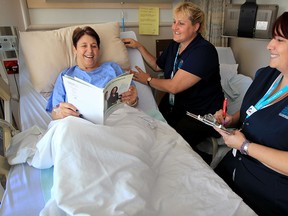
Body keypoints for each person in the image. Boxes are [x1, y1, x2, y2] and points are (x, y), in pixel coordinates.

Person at [122, 2, 224, 156]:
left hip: (200, 114)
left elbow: (174, 87)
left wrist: (147, 80)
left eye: (181, 23)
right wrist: (139, 47)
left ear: (196, 26)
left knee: (171, 145)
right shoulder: (175, 45)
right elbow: (157, 66)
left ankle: (203, 159)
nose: (174, 27)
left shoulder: (203, 52)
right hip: (178, 106)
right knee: (150, 131)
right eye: (174, 21)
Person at [213, 12, 288, 216]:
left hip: (268, 193)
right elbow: (253, 111)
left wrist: (244, 146)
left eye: (279, 40)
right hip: (233, 171)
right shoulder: (266, 75)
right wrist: (232, 119)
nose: (269, 45)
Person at [46, 26, 138, 119]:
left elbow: (132, 100)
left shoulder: (113, 68)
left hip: (115, 121)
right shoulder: (65, 76)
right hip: (78, 125)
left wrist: (133, 100)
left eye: (94, 46)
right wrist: (60, 113)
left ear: (98, 49)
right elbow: (55, 112)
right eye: (84, 46)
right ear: (75, 49)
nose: (90, 51)